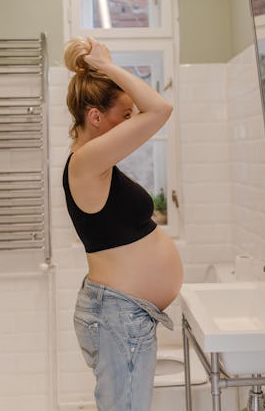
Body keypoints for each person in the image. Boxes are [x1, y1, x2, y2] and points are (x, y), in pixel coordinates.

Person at [62, 36, 183, 411]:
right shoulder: (85, 162)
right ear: (95, 117)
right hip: (118, 316)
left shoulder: (97, 164)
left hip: (122, 314)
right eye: (125, 115)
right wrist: (109, 69)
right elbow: (160, 109)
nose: (132, 123)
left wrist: (107, 68)